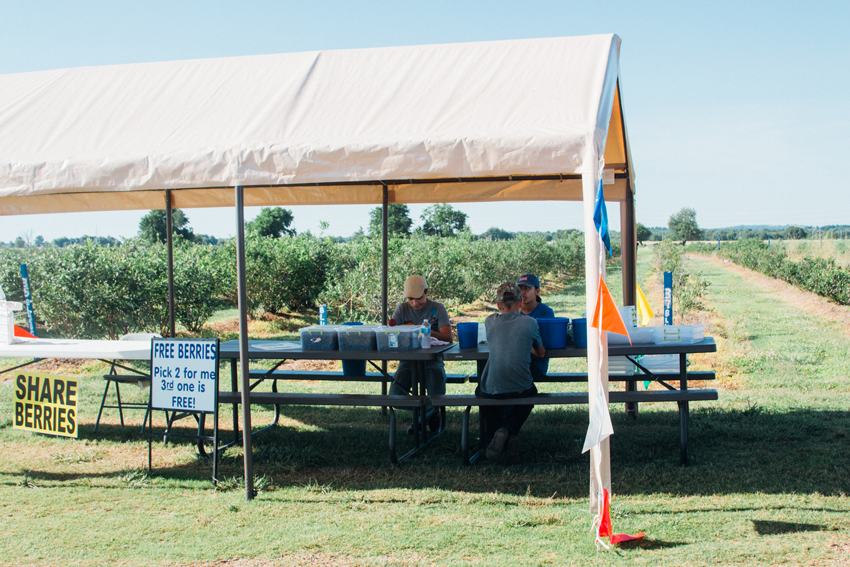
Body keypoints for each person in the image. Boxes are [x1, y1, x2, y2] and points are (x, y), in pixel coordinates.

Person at [476, 281, 545, 464]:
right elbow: (541, 353)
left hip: (492, 388)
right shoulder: (530, 323)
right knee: (532, 393)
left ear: (498, 305)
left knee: (480, 393)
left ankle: (500, 433)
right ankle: (507, 432)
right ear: (521, 302)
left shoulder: (489, 321)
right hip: (521, 387)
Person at [389, 275, 453, 433]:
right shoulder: (402, 309)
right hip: (408, 361)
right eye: (410, 299)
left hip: (433, 361)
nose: (414, 303)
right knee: (395, 397)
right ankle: (429, 413)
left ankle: (419, 421)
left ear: (426, 292)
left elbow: (448, 338)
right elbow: (391, 334)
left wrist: (427, 332)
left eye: (418, 298)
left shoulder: (438, 308)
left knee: (437, 396)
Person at [517, 273, 554, 378]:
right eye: (519, 288)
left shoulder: (546, 312)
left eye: (527, 288)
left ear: (537, 291)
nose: (523, 292)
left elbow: (546, 344)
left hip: (536, 364)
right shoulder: (514, 311)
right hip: (516, 362)